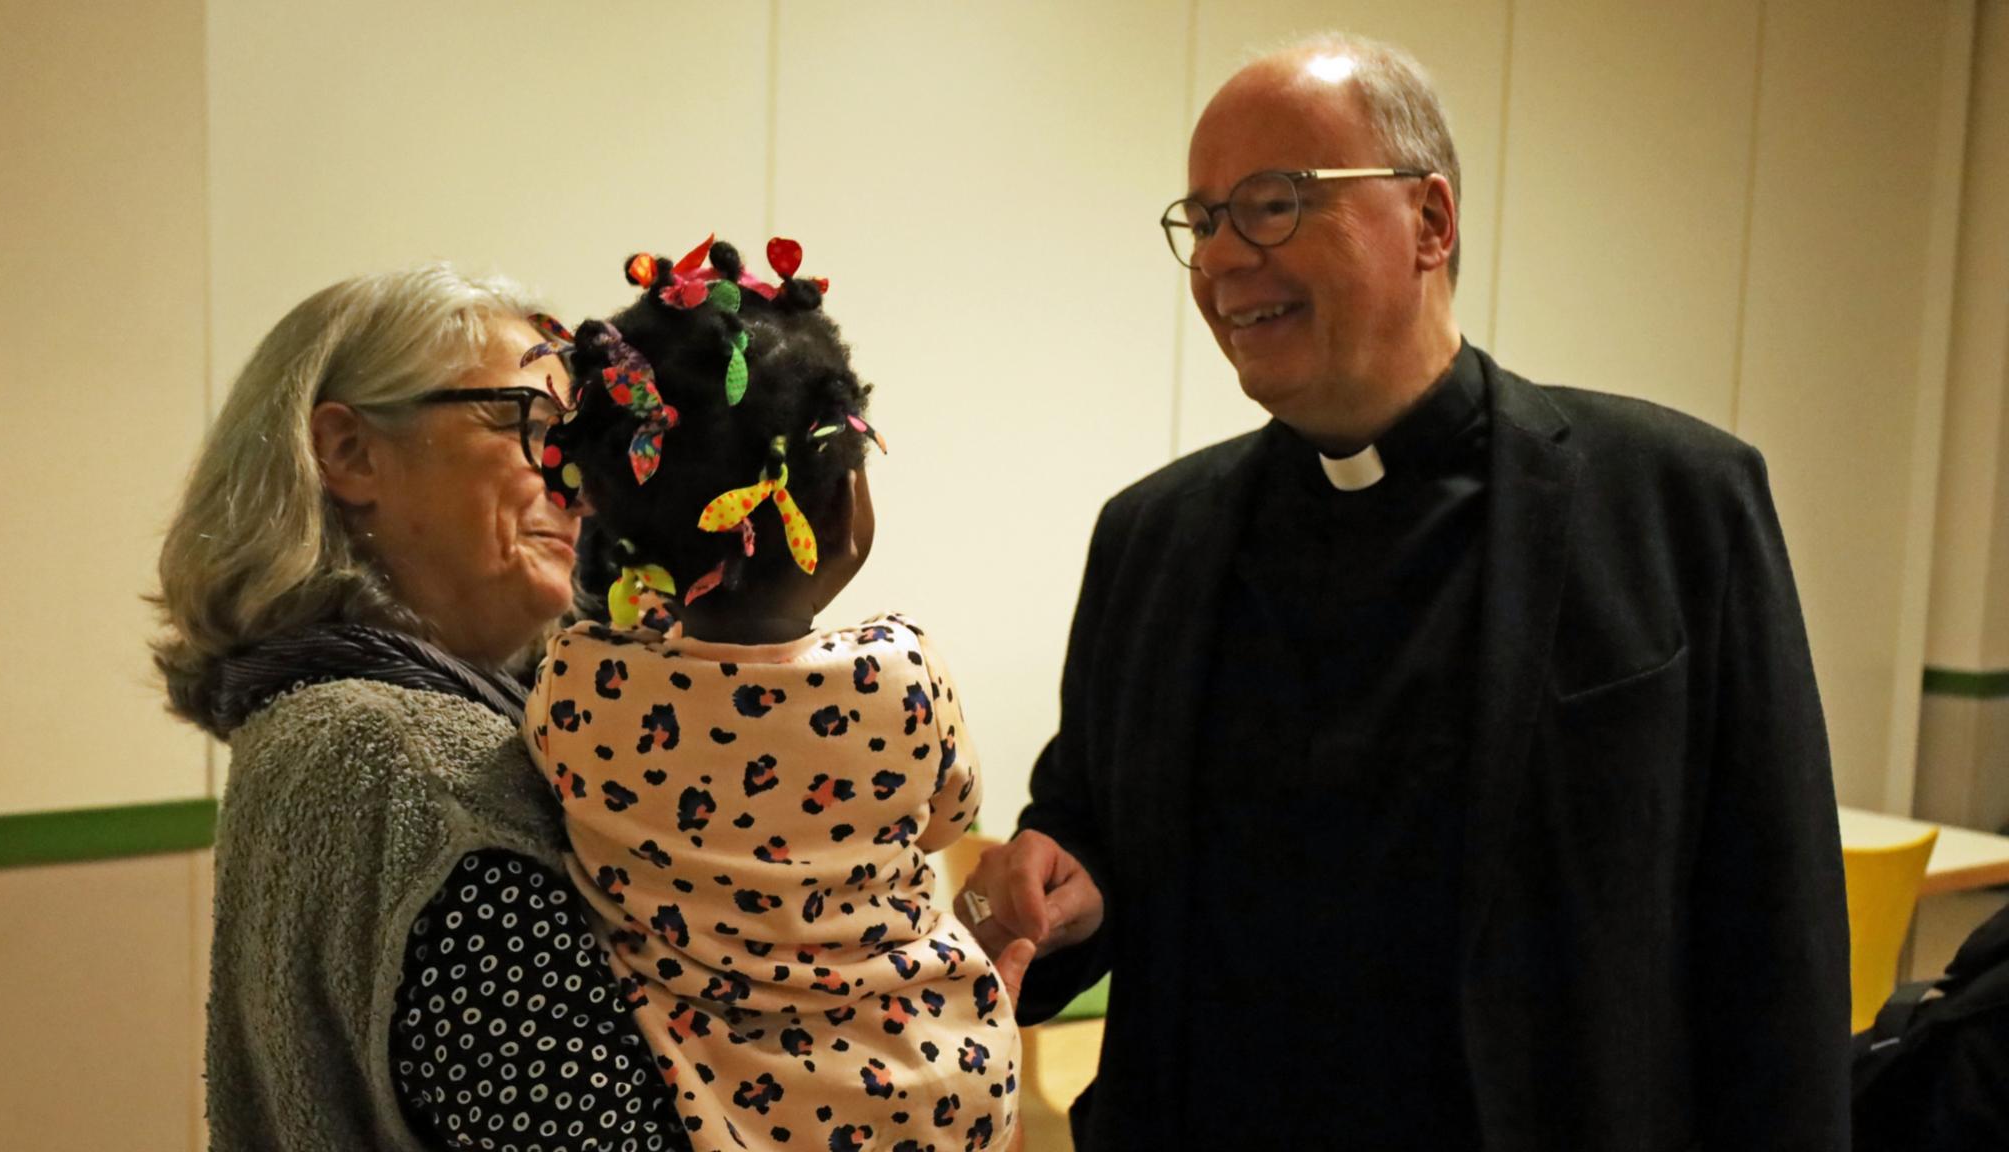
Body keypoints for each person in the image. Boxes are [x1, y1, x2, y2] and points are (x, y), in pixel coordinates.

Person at [956, 31, 1851, 1151]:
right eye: (1202, 218)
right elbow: (1084, 840)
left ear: (1429, 221)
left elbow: (1778, 941)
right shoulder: (1150, 537)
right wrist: (1048, 888)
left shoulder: (1674, 504)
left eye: (1273, 202)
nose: (1224, 256)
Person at [153, 265, 690, 1151]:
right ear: (352, 454)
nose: (583, 488)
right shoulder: (425, 762)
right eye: (535, 429)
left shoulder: (322, 723)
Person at [518, 237, 1026, 1152]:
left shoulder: (574, 685)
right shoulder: (900, 673)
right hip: (931, 1087)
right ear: (843, 505)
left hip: (712, 1105)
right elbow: (951, 820)